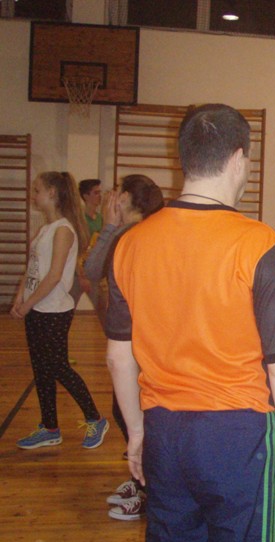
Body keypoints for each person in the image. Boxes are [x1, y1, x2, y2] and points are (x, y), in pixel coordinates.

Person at [104, 104, 275, 542]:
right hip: (239, 438)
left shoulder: (131, 243)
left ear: (184, 158)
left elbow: (119, 358)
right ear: (239, 158)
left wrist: (138, 432)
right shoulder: (259, 244)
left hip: (164, 433)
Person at [83, 174, 165, 521]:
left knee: (135, 417)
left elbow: (90, 270)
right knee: (129, 413)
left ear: (129, 198)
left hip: (136, 346)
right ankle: (143, 480)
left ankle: (150, 489)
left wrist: (109, 225)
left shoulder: (128, 236)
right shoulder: (143, 233)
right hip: (142, 343)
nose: (112, 196)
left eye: (118, 192)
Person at [11, 171, 109, 450]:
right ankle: (50, 427)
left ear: (52, 193)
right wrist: (20, 298)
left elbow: (54, 276)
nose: (34, 195)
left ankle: (95, 418)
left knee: (57, 367)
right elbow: (33, 269)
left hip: (53, 311)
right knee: (41, 370)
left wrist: (27, 304)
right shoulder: (46, 229)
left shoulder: (63, 230)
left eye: (37, 190)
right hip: (37, 308)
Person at [69, 178, 103, 310]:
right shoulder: (79, 219)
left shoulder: (100, 218)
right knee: (68, 309)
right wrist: (81, 276)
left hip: (93, 272)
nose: (99, 196)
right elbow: (74, 249)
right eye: (96, 193)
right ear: (86, 196)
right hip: (77, 273)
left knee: (103, 308)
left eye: (100, 192)